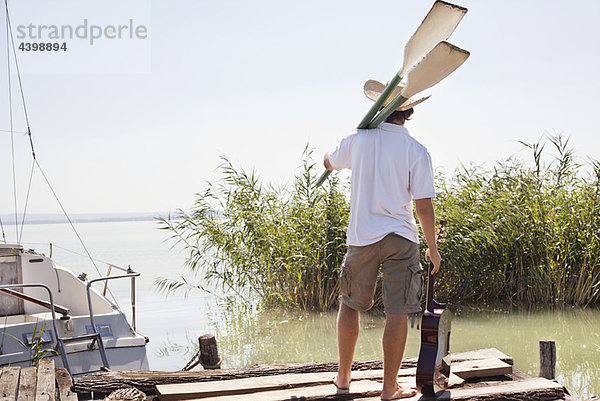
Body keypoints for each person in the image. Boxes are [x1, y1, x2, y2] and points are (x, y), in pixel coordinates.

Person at [323, 80, 442, 400]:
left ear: (380, 109)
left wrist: (337, 151)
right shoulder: (416, 150)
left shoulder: (357, 140)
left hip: (362, 237)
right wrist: (433, 248)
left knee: (349, 304)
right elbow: (423, 207)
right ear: (409, 113)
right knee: (397, 311)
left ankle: (343, 379)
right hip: (401, 238)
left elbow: (328, 162)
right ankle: (389, 388)